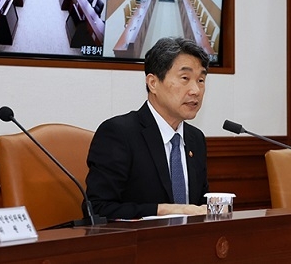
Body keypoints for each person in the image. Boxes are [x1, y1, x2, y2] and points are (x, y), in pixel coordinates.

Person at [86, 37, 210, 219]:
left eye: (201, 80)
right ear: (153, 83)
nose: (196, 90)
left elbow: (199, 205)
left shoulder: (195, 138)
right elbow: (97, 209)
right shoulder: (119, 133)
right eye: (185, 78)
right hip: (136, 244)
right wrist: (167, 210)